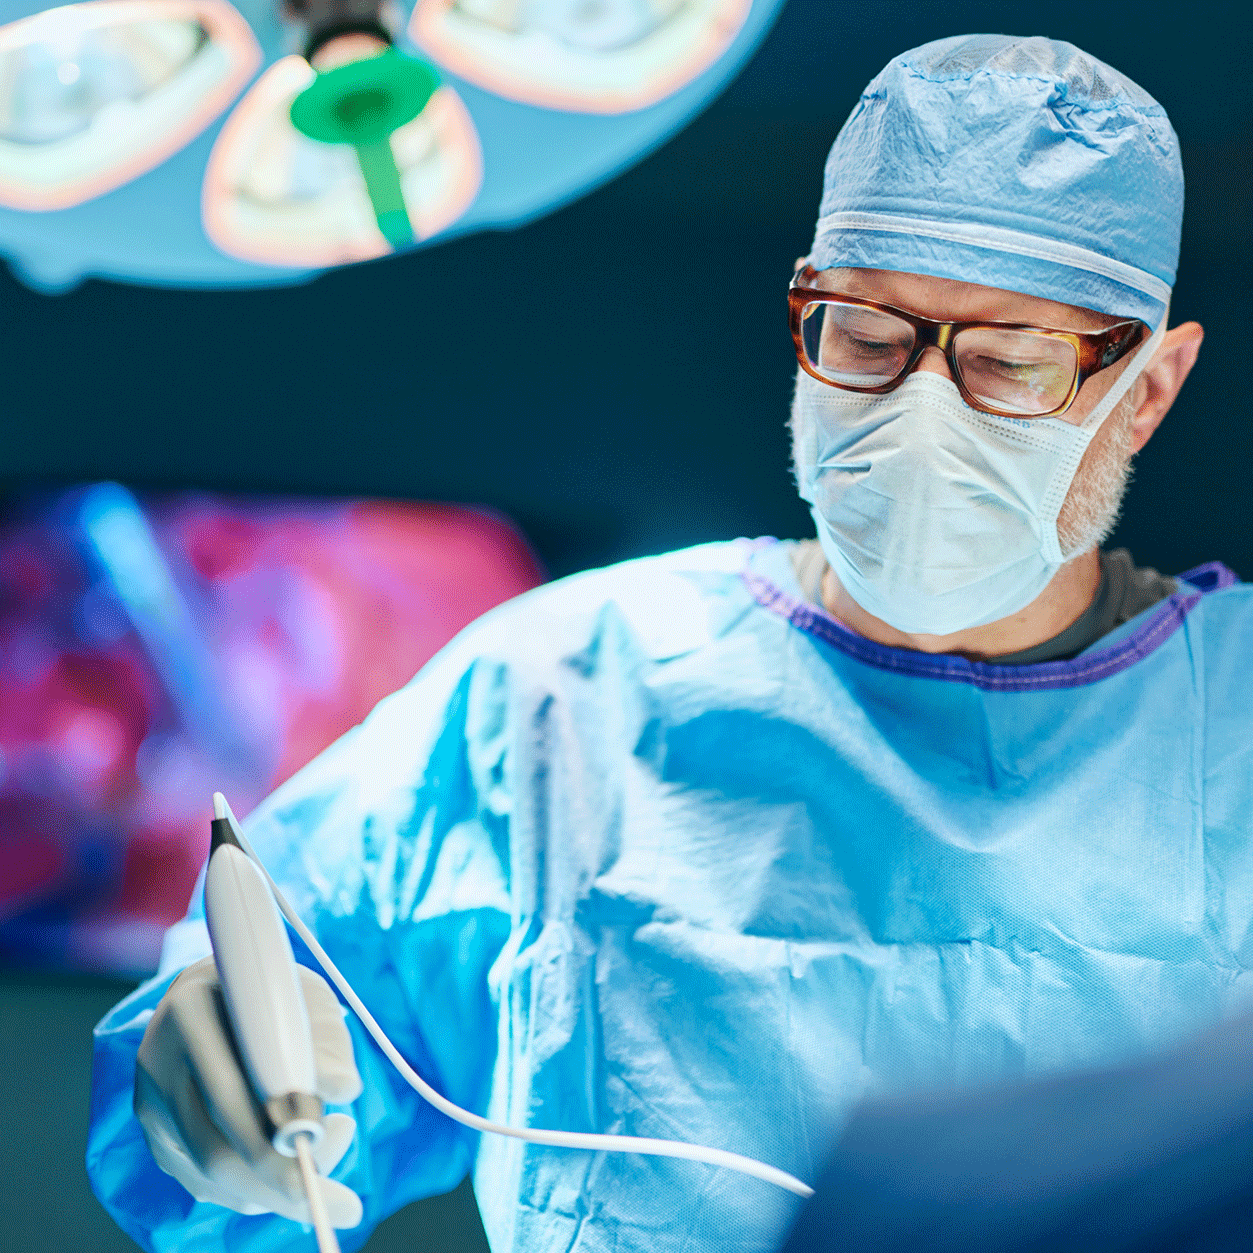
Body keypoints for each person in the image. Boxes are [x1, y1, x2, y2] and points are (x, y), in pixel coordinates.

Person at [87, 32, 1249, 1253]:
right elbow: (273, 1088)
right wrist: (201, 1087)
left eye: (1007, 365)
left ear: (1150, 389)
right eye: (864, 337)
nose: (919, 417)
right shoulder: (559, 699)